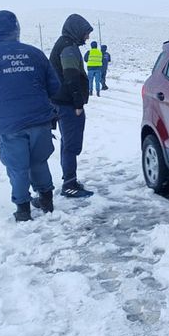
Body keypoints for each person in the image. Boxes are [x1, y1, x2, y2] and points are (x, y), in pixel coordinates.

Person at [0, 10, 61, 222]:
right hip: (40, 120)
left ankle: (23, 210)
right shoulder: (34, 53)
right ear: (16, 29)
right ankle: (46, 200)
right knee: (39, 161)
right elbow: (54, 86)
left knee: (17, 167)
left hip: (9, 124)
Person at [49, 14, 95, 198]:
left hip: (62, 101)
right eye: (85, 33)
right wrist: (77, 103)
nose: (87, 37)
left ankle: (70, 181)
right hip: (67, 103)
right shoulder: (68, 47)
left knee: (67, 142)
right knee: (71, 144)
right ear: (76, 30)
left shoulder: (65, 44)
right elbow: (71, 76)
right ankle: (69, 185)